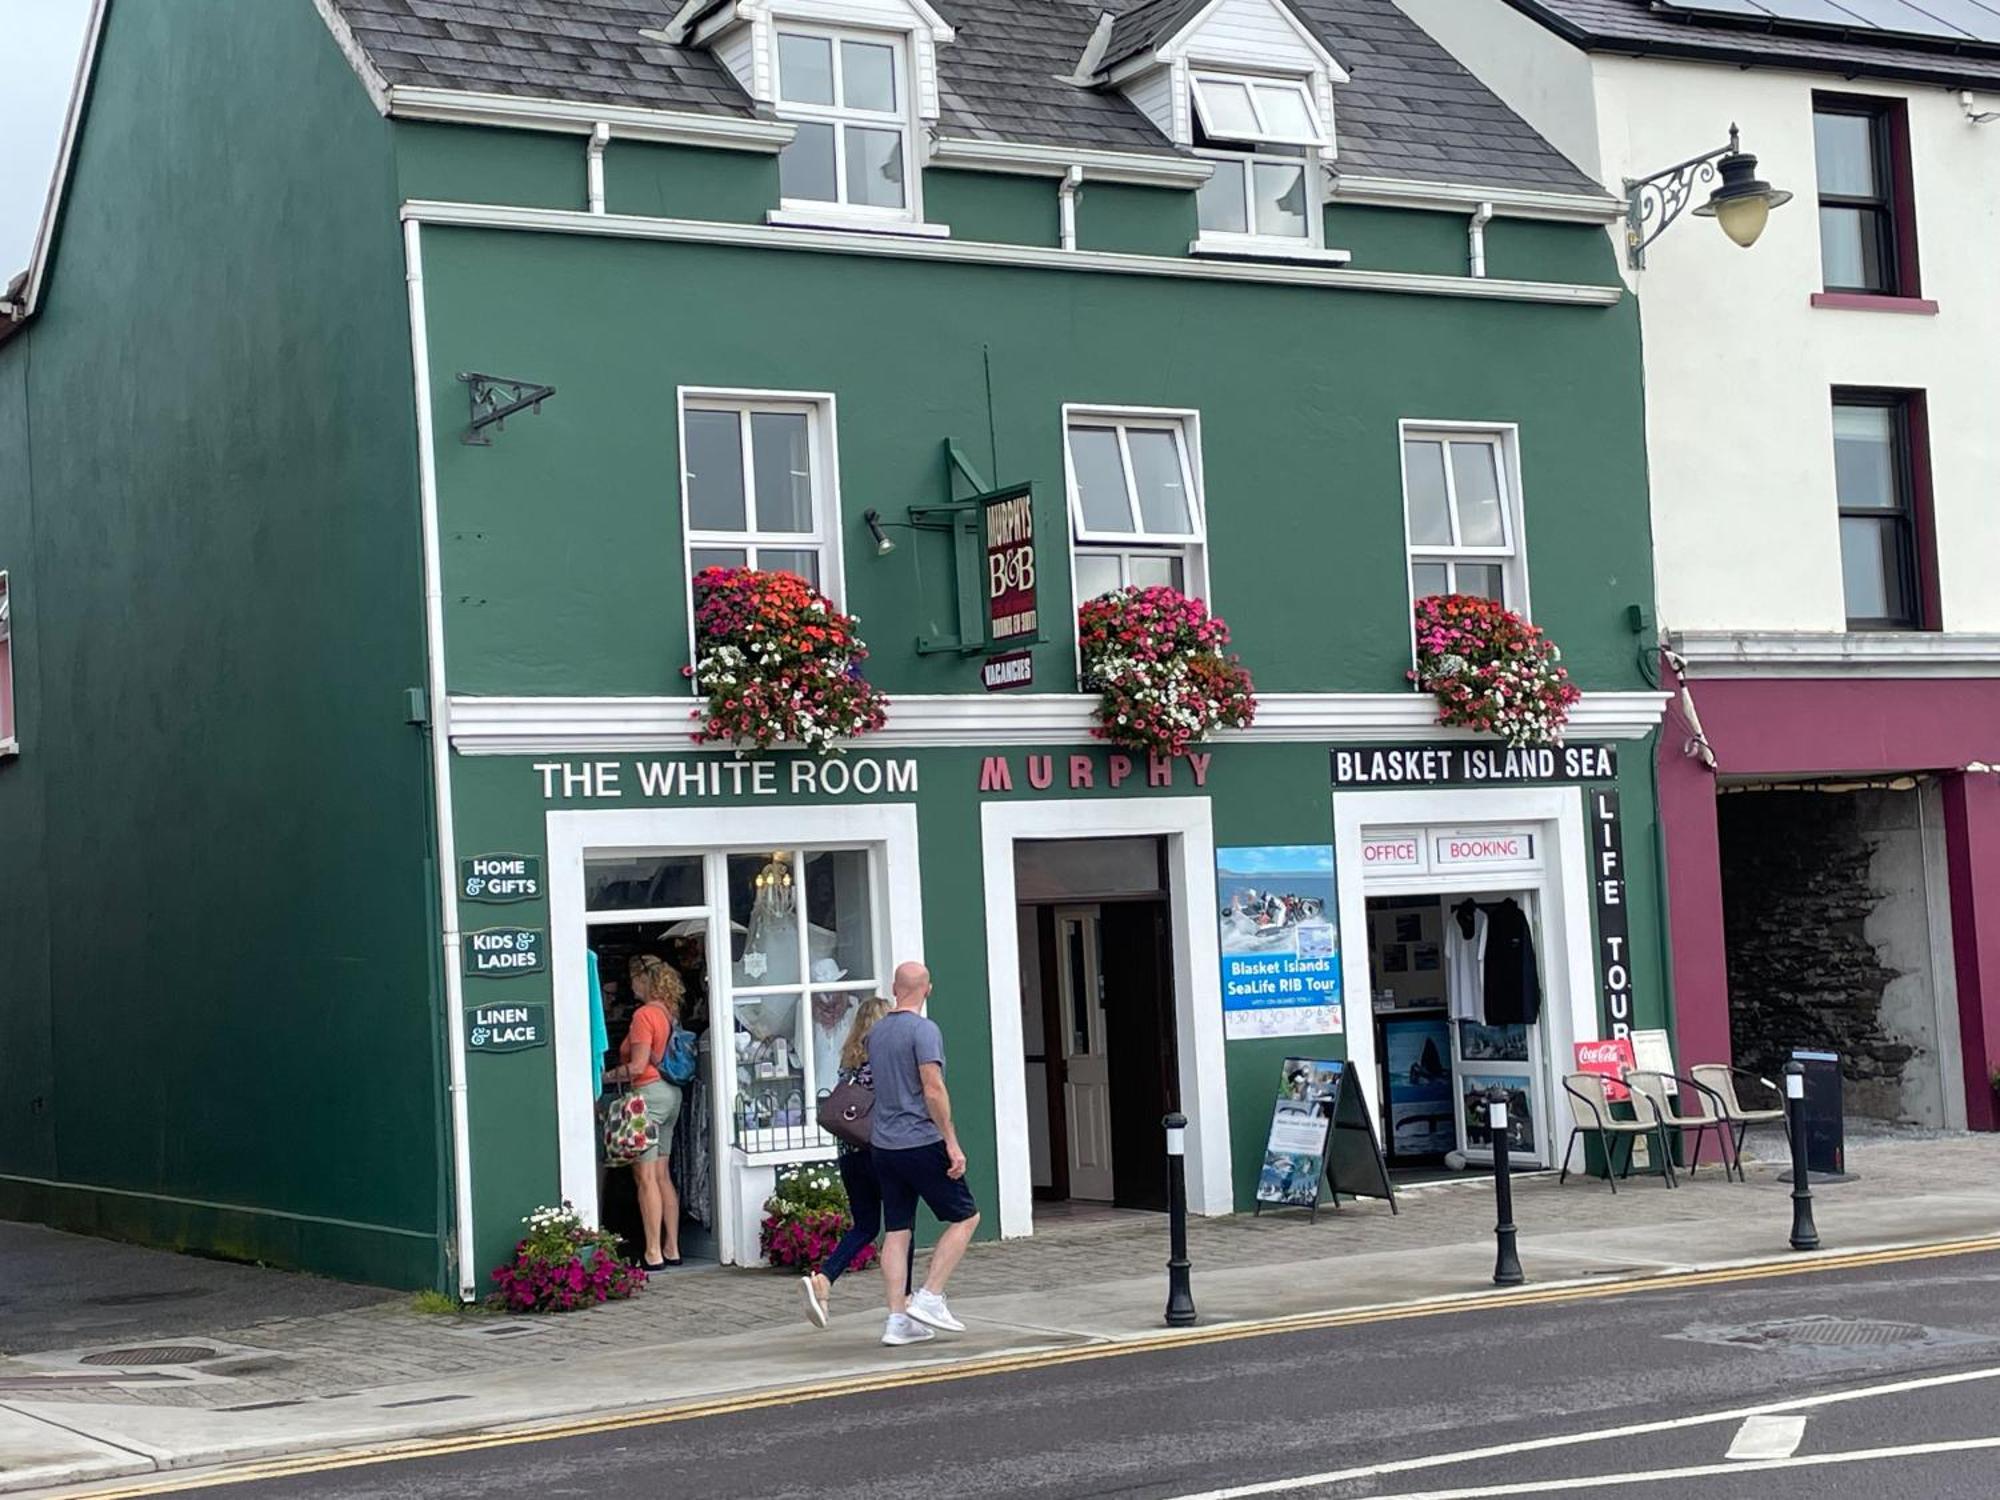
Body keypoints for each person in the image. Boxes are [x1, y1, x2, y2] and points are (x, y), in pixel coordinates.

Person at [867, 961, 980, 1347]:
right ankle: (930, 1297)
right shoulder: (924, 1030)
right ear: (927, 990)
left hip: (884, 1145)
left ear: (895, 988)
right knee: (966, 1217)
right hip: (919, 1140)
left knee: (897, 1230)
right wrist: (951, 1140)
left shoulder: (877, 1032)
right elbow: (932, 1088)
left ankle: (897, 1320)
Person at [798, 995, 892, 1329]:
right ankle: (904, 1299)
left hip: (849, 1154)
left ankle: (825, 1279)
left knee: (865, 1226)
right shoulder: (884, 1060)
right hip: (880, 1151)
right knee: (899, 1227)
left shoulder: (848, 1060)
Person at [603, 954, 684, 1271]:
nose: (631, 985)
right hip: (670, 1095)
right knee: (663, 1174)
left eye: (633, 979)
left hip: (647, 1096)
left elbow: (637, 1067)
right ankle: (672, 1247)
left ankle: (652, 1252)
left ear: (643, 979)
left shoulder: (643, 1016)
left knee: (645, 1176)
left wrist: (606, 1076)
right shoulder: (668, 1012)